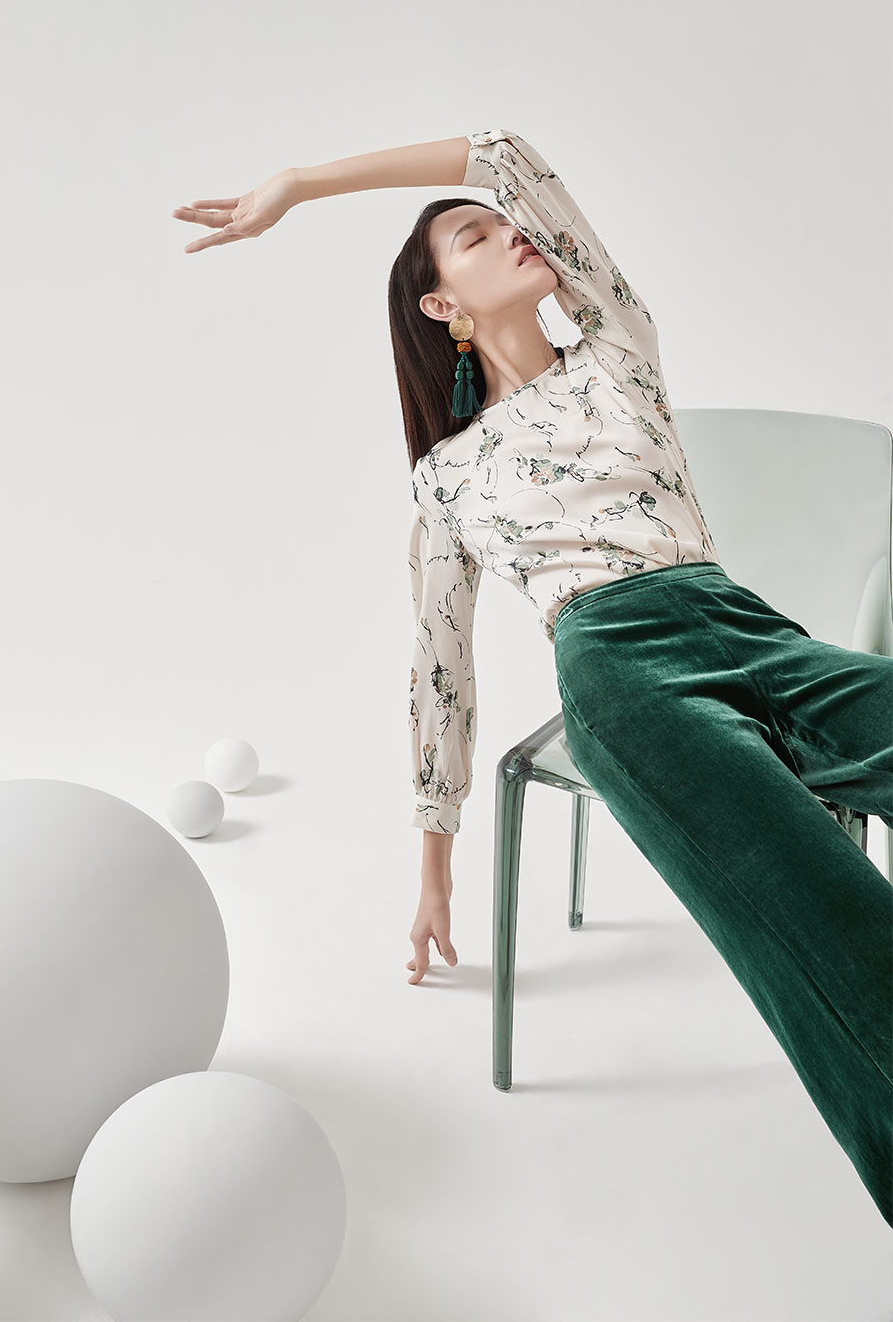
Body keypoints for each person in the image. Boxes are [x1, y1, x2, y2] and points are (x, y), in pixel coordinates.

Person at [171, 129, 893, 1225]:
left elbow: (506, 150)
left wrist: (303, 185)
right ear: (442, 307)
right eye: (474, 237)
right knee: (818, 908)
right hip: (619, 669)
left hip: (746, 627)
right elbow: (440, 669)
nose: (511, 233)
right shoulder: (448, 477)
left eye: (504, 223)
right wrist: (434, 867)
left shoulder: (617, 349)